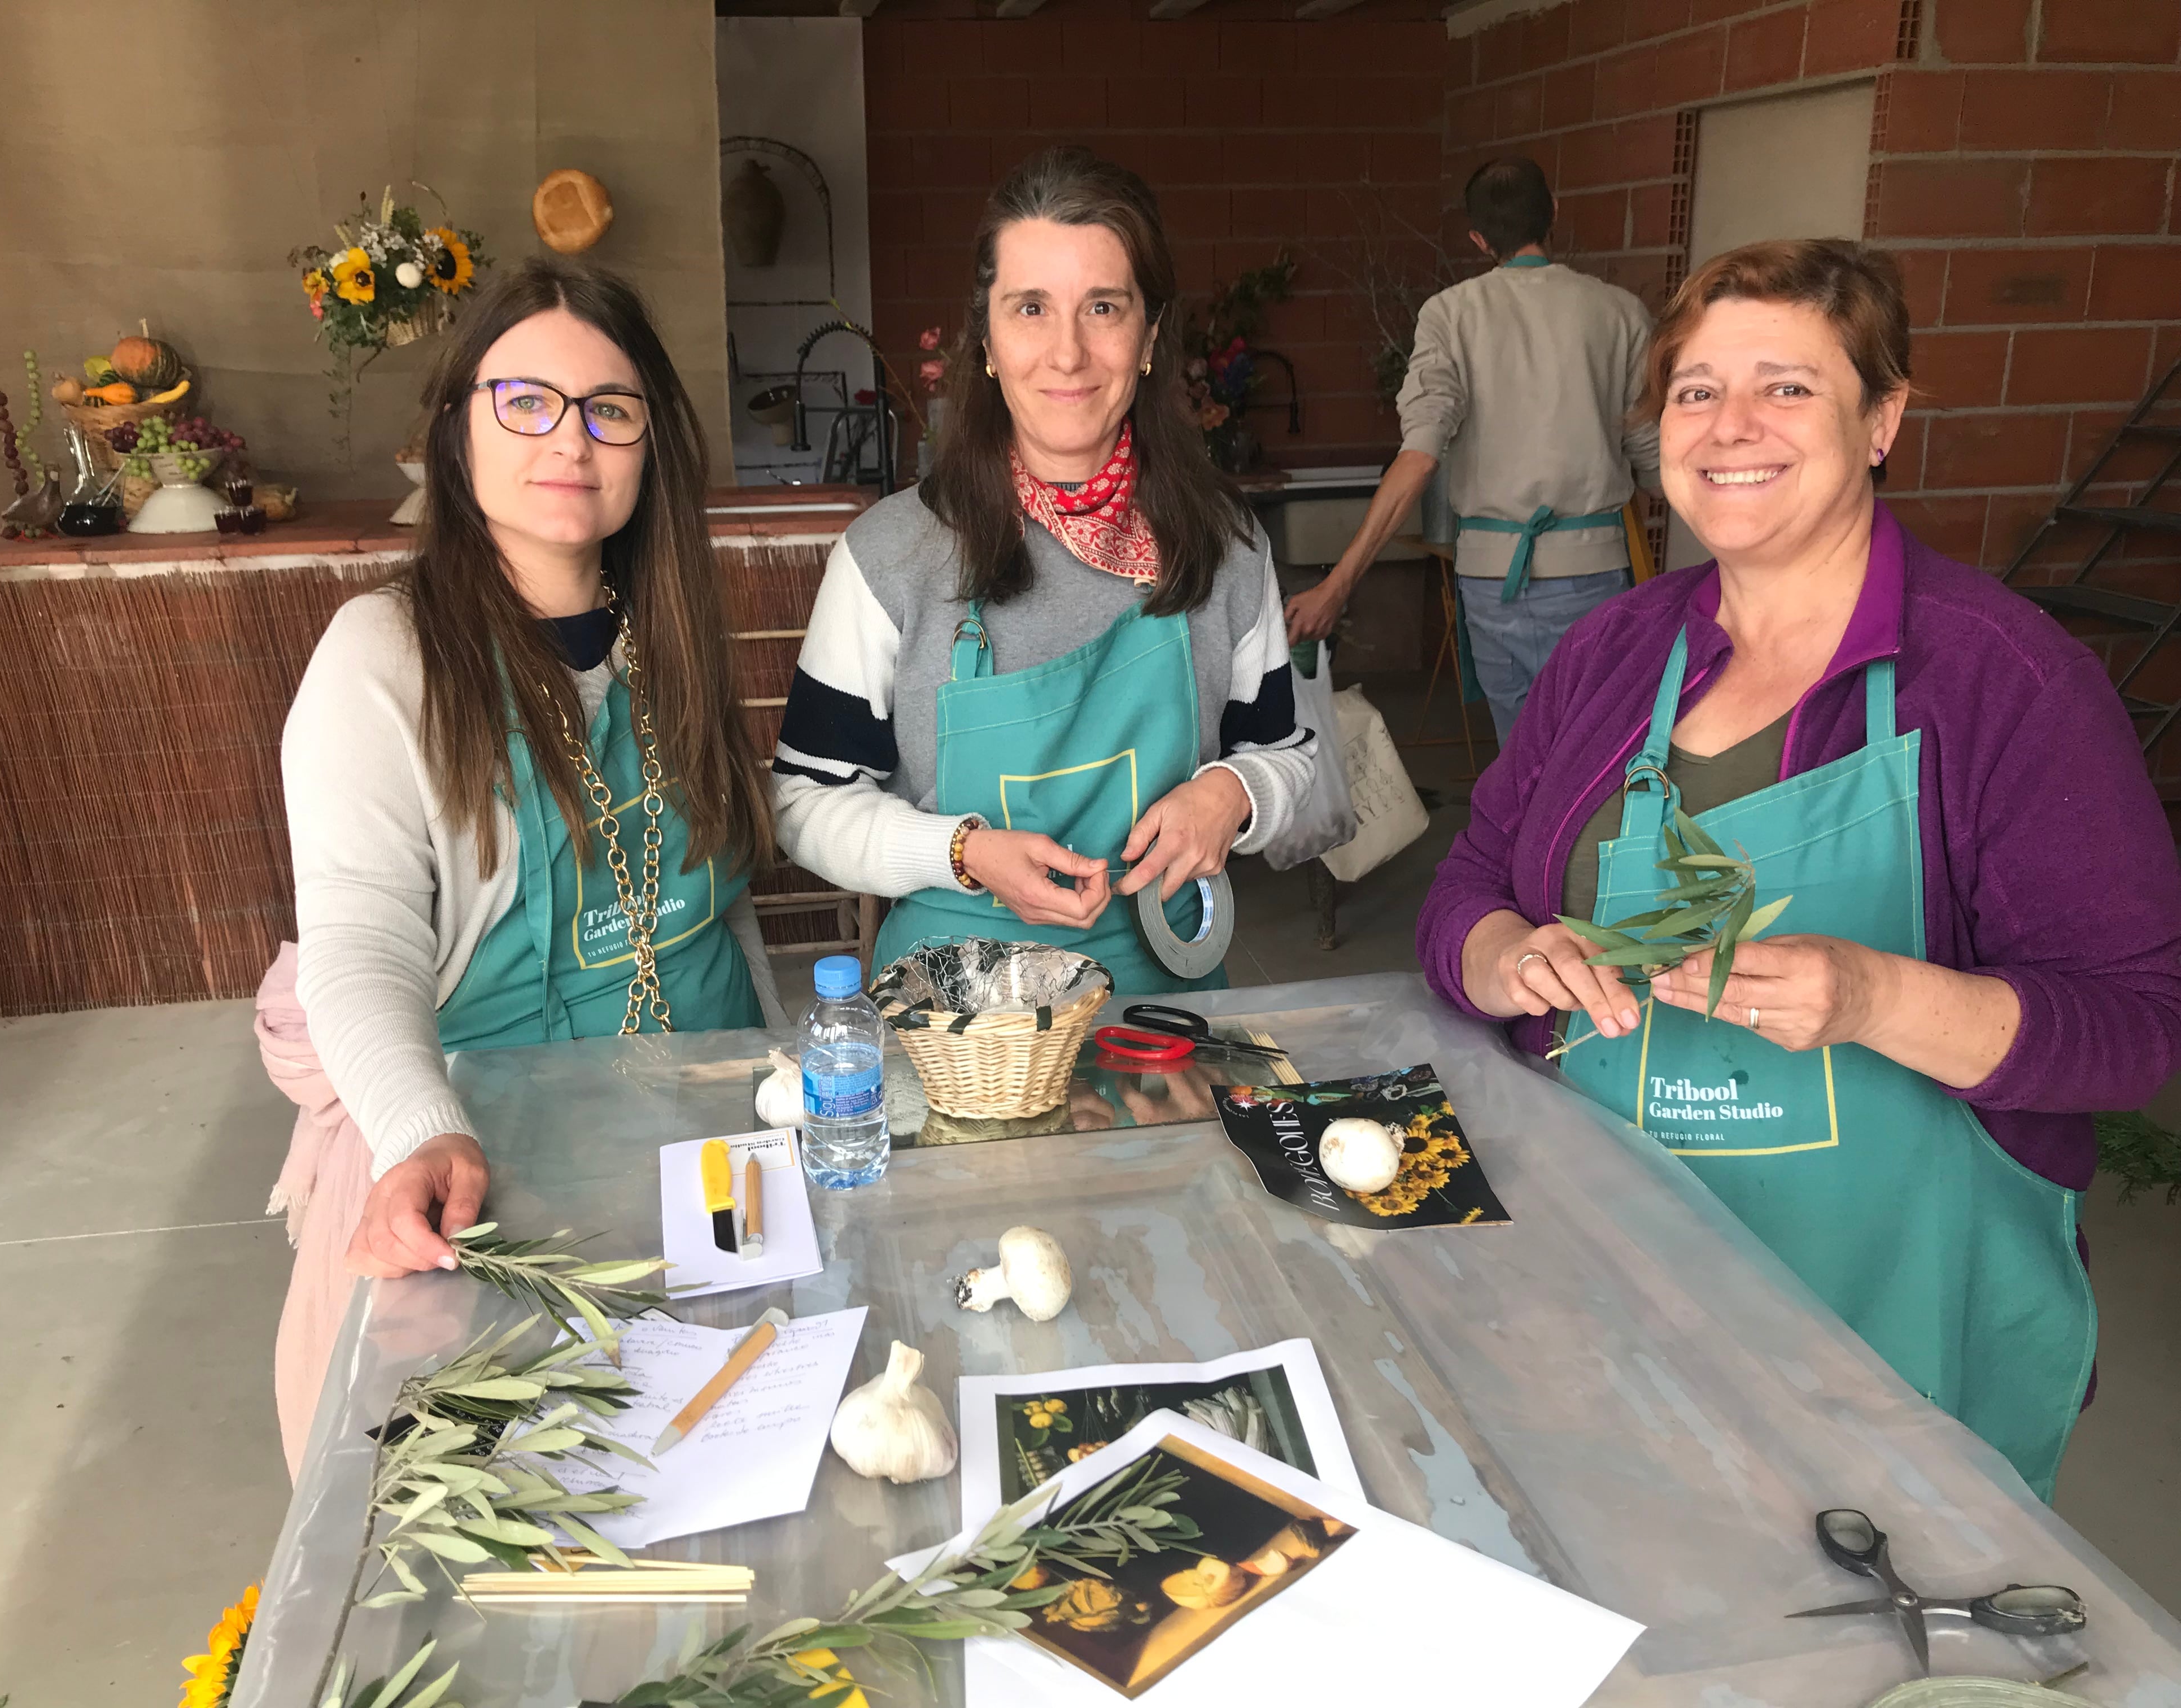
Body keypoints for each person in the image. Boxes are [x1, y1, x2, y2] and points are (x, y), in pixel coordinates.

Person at [1415, 238, 2181, 1498]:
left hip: (1890, 1322)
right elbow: (1475, 876)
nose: (1730, 427)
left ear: (1881, 420)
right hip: (1607, 1282)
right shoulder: (1614, 651)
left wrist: (1876, 1000)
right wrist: (1504, 956)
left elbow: (2137, 1027)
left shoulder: (2007, 683)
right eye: (1697, 389)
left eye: (1788, 387)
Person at [260, 259, 784, 1473]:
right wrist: (421, 1129)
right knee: (541, 1495)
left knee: (738, 1446)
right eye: (526, 401)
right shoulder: (381, 657)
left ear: (651, 440)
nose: (571, 440)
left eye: (611, 408)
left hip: (715, 1145)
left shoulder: (674, 637)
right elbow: (363, 938)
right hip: (489, 1163)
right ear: (455, 428)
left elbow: (722, 910)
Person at [771, 146, 1315, 996]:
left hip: (1163, 1005)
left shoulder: (1224, 544)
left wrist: (1232, 794)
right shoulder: (891, 556)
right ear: (985, 338)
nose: (1068, 353)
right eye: (1030, 308)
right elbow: (803, 803)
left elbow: (1291, 757)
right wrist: (963, 852)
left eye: (1103, 307)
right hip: (950, 1013)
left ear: (1149, 336)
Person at [1285, 156, 1660, 742]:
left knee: (1523, 758)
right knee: (1597, 755)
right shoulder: (1621, 313)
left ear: (1479, 238)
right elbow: (1655, 455)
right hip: (1596, 572)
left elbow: (1420, 456)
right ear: (1554, 213)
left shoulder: (1451, 314)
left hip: (1492, 580)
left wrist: (1338, 585)